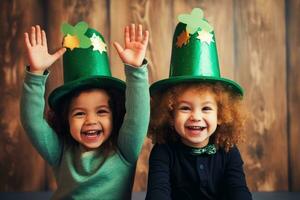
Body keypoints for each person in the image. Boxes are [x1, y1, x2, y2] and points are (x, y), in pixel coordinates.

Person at [20, 21, 150, 199]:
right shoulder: (59, 151)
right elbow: (32, 122)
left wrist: (135, 70)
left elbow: (138, 116)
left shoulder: (125, 149)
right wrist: (36, 73)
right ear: (65, 119)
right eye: (79, 113)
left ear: (116, 115)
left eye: (102, 111)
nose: (91, 121)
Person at [146, 8, 252, 200]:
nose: (196, 116)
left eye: (206, 108)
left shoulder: (228, 151)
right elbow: (157, 193)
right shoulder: (163, 152)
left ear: (221, 115)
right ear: (170, 114)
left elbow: (239, 191)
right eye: (185, 108)